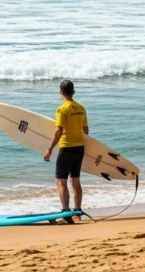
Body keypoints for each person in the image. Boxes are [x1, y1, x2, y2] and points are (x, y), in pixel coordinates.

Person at [43, 79, 88, 223]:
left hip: (66, 148)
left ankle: (66, 212)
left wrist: (49, 149)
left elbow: (59, 131)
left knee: (61, 181)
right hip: (79, 149)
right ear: (73, 92)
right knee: (75, 180)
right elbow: (86, 131)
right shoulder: (81, 108)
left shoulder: (61, 109)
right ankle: (77, 212)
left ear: (60, 92)